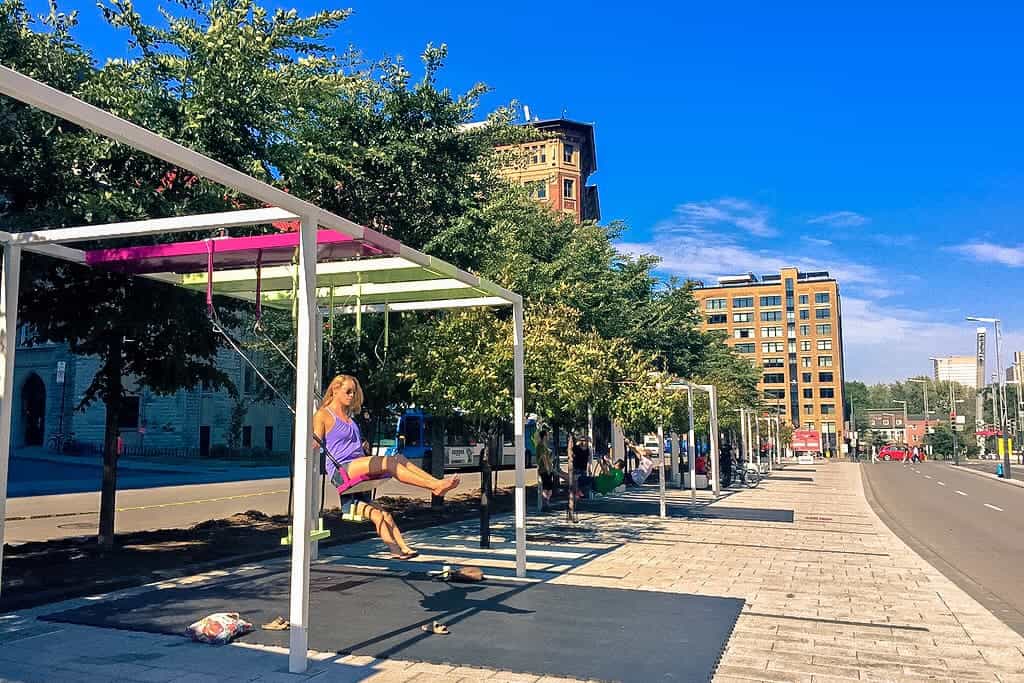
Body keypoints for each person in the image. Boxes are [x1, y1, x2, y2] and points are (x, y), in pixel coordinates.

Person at [314, 374, 461, 560]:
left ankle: (435, 486)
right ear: (335, 390)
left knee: (398, 458)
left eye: (354, 392)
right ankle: (435, 487)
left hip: (357, 465)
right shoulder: (323, 414)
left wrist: (363, 445)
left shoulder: (350, 418)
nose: (351, 396)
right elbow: (316, 440)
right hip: (341, 469)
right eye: (347, 392)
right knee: (390, 462)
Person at [534, 427, 556, 510]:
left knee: (549, 487)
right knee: (546, 487)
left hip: (547, 468)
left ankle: (547, 502)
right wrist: (548, 469)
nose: (549, 436)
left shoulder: (544, 446)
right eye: (548, 435)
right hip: (544, 469)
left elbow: (547, 457)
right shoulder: (541, 446)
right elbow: (543, 457)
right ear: (544, 436)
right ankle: (546, 504)